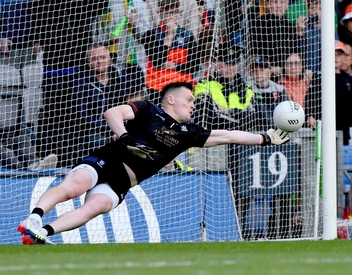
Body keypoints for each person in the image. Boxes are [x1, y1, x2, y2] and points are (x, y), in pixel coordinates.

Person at [17, 81, 291, 245]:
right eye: (189, 99)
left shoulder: (189, 133)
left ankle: (41, 232)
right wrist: (124, 137)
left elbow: (227, 135)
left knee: (96, 207)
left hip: (124, 182)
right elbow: (112, 112)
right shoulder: (149, 110)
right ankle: (34, 216)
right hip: (109, 159)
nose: (193, 105)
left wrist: (265, 138)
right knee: (74, 186)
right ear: (171, 99)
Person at [73, 43, 129, 156]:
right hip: (94, 131)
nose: (99, 61)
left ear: (109, 59)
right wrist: (110, 129)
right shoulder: (82, 82)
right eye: (94, 58)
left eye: (103, 57)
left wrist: (121, 130)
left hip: (121, 128)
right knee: (101, 142)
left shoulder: (121, 78)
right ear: (88, 62)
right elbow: (82, 116)